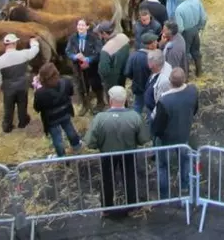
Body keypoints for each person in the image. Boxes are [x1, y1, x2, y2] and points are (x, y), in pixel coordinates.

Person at [84, 86, 150, 217]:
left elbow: (90, 142)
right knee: (130, 177)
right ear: (125, 100)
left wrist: (100, 145)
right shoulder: (134, 116)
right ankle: (132, 205)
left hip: (107, 153)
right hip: (128, 152)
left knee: (107, 179)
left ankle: (107, 208)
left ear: (110, 100)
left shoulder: (100, 118)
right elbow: (143, 139)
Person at [152, 68, 198, 198]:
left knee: (162, 166)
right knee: (185, 160)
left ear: (170, 82)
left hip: (166, 138)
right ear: (184, 79)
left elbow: (158, 125)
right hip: (183, 133)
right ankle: (184, 187)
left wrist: (155, 134)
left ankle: (164, 194)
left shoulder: (165, 100)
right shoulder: (192, 91)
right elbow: (195, 109)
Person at [0, 34, 40, 133]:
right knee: (22, 105)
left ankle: (7, 126)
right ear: (14, 43)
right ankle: (23, 122)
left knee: (8, 107)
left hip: (8, 88)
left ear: (5, 44)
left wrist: (3, 86)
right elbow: (35, 51)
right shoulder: (23, 54)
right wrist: (33, 42)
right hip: (22, 85)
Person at [33, 62, 82, 157]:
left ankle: (61, 156)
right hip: (65, 112)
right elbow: (71, 93)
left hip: (51, 118)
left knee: (57, 138)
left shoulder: (40, 93)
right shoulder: (66, 82)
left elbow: (37, 108)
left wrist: (36, 91)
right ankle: (76, 146)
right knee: (70, 129)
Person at [66, 19, 105, 115]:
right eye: (79, 25)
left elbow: (99, 52)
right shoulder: (73, 38)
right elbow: (68, 51)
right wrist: (75, 57)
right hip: (78, 68)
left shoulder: (94, 37)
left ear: (87, 27)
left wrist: (88, 60)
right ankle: (85, 104)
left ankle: (100, 102)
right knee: (81, 86)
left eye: (83, 25)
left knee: (96, 84)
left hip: (92, 67)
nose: (80, 27)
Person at [175, 0, 207, 77]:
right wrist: (199, 28)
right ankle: (199, 73)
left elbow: (180, 28)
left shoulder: (179, 9)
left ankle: (185, 76)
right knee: (196, 51)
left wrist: (179, 37)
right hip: (195, 30)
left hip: (186, 32)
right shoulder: (197, 3)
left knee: (186, 54)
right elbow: (204, 18)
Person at [125, 33, 156, 114]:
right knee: (151, 108)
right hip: (151, 88)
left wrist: (135, 78)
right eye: (155, 42)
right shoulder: (154, 58)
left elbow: (127, 72)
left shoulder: (133, 55)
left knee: (138, 106)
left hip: (138, 87)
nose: (157, 43)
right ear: (150, 45)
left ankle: (135, 123)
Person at [96, 21, 131, 91]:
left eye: (99, 33)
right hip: (123, 74)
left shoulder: (106, 50)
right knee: (121, 93)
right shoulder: (124, 37)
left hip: (111, 82)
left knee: (112, 98)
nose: (99, 35)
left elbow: (104, 71)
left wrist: (103, 80)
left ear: (104, 33)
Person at [145, 49, 172, 118]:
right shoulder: (163, 64)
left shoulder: (164, 81)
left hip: (154, 112)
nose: (148, 65)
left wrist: (153, 116)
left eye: (149, 63)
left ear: (153, 66)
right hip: (150, 106)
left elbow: (161, 103)